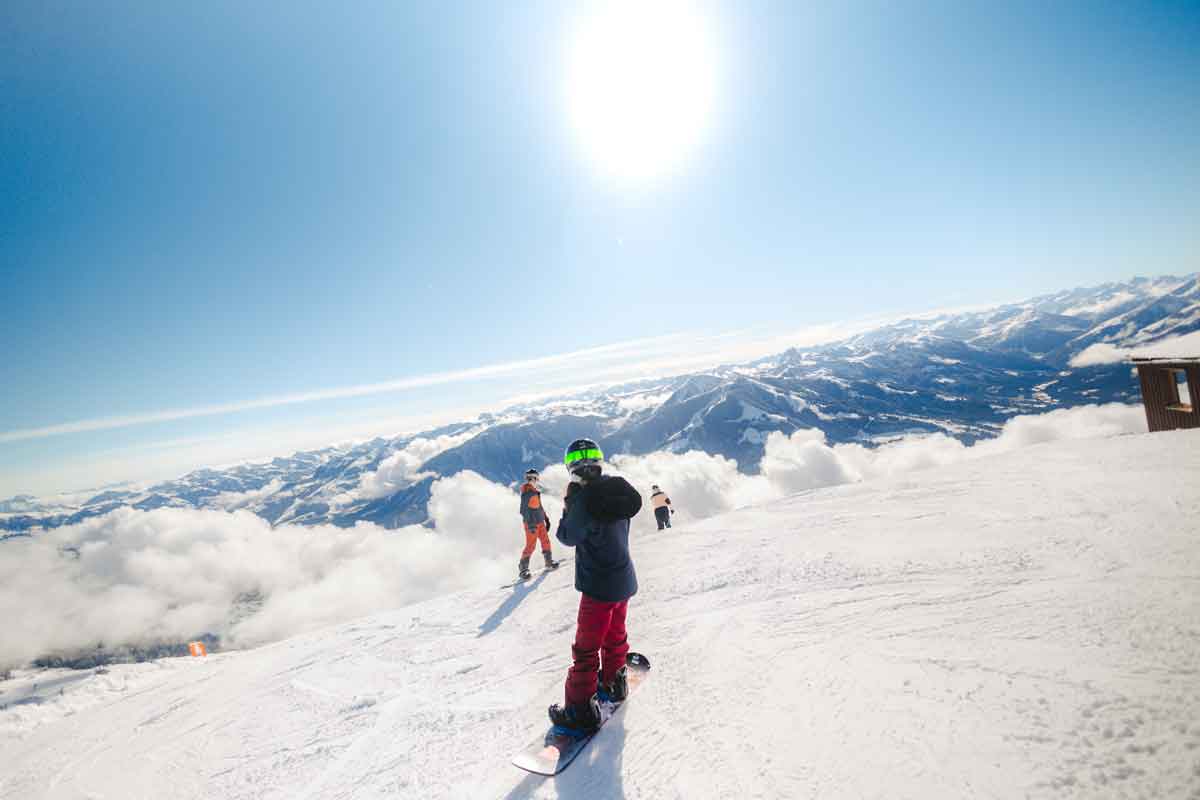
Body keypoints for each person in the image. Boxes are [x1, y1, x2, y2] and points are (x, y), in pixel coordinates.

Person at [548, 438, 643, 732]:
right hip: (623, 579)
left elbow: (567, 536)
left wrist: (570, 505)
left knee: (586, 650)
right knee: (615, 635)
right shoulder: (617, 491)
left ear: (572, 468)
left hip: (598, 588)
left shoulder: (584, 501)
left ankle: (579, 711)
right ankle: (614, 684)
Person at [518, 468, 557, 580]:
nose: (532, 480)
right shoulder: (527, 492)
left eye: (533, 478)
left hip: (540, 521)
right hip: (532, 523)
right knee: (531, 545)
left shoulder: (534, 491)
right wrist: (530, 524)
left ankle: (548, 562)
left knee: (546, 541)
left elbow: (539, 507)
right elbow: (523, 510)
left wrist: (546, 519)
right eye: (529, 478)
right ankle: (523, 568)